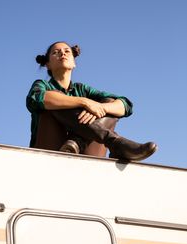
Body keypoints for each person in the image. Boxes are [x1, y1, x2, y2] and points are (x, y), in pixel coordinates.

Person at [26, 41, 157, 161]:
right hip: (49, 150)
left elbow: (125, 105)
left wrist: (101, 108)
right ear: (48, 64)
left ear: (74, 63)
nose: (62, 53)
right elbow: (36, 98)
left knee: (109, 102)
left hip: (85, 152)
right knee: (54, 98)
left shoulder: (82, 88)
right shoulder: (42, 84)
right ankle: (115, 143)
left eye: (67, 51)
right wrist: (84, 102)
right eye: (56, 52)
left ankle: (76, 142)